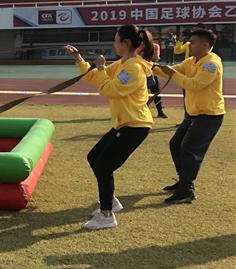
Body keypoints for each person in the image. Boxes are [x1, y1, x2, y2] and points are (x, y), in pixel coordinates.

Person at [66, 24, 155, 230]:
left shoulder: (133, 68)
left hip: (135, 125)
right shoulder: (122, 64)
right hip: (124, 125)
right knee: (94, 157)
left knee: (104, 165)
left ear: (125, 43)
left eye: (116, 40)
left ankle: (106, 215)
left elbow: (111, 89)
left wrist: (101, 68)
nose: (114, 44)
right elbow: (94, 78)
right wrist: (79, 59)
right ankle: (110, 201)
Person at [153, 28, 226, 204]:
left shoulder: (211, 63)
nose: (189, 45)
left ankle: (187, 189)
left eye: (192, 42)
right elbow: (169, 70)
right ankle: (184, 181)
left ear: (205, 45)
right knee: (176, 144)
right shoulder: (191, 61)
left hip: (210, 115)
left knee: (189, 149)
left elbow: (194, 84)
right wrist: (148, 65)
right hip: (194, 114)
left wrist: (173, 73)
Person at [146, 38, 167, 119]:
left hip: (152, 72)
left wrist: (148, 59)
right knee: (141, 93)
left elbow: (156, 58)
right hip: (142, 73)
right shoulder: (140, 47)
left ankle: (160, 112)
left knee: (156, 93)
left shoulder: (155, 46)